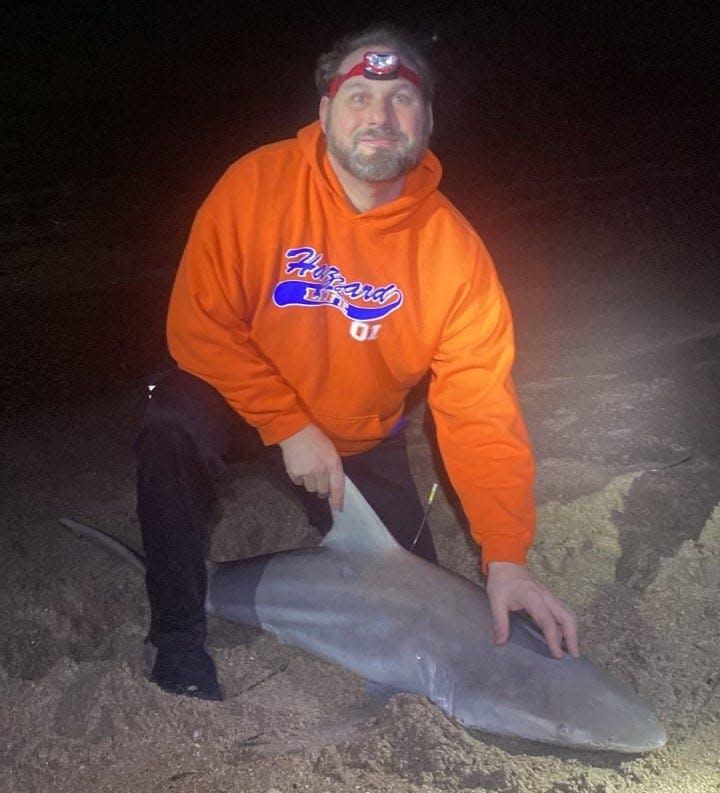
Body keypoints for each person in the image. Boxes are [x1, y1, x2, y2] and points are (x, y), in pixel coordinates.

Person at [135, 25, 579, 701]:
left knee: (416, 591)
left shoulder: (453, 253)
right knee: (169, 424)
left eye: (401, 98)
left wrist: (508, 555)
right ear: (324, 113)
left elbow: (478, 408)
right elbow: (197, 323)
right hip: (243, 401)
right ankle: (177, 636)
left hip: (357, 435)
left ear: (427, 121)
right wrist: (287, 423)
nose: (379, 114)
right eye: (359, 95)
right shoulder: (254, 186)